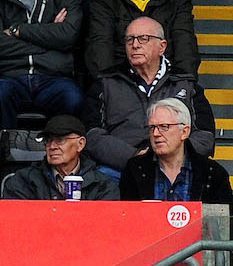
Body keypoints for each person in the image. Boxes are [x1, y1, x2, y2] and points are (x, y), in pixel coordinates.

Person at [86, 18, 211, 176]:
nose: (135, 45)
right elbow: (92, 135)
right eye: (130, 39)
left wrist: (170, 157)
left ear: (162, 46)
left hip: (176, 168)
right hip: (120, 169)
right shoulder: (105, 83)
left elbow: (205, 136)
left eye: (143, 38)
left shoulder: (185, 83)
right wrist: (134, 158)